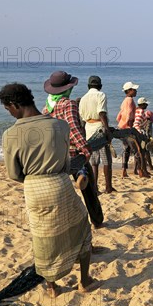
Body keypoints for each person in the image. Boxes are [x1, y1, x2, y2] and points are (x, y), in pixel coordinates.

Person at [0, 83, 99, 298]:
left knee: (43, 238)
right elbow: (65, 161)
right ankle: (84, 281)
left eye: (8, 109)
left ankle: (52, 288)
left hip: (34, 188)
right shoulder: (60, 126)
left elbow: (14, 173)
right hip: (60, 183)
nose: (10, 113)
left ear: (14, 105)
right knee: (81, 227)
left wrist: (32, 178)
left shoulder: (10, 134)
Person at [43, 71, 104, 227]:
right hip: (73, 152)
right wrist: (85, 148)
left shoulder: (46, 108)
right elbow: (73, 128)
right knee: (89, 190)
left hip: (55, 155)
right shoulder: (68, 104)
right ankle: (97, 221)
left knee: (63, 191)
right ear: (67, 88)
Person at [79, 75, 116, 193]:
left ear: (88, 86)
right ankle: (108, 187)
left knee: (94, 162)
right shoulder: (101, 95)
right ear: (100, 86)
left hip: (88, 129)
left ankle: (95, 187)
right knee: (106, 160)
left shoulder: (83, 98)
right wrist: (108, 131)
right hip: (99, 128)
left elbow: (81, 120)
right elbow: (101, 114)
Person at [116, 81, 148, 178]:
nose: (136, 91)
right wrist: (129, 125)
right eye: (134, 90)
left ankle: (124, 171)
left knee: (126, 150)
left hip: (121, 128)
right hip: (127, 129)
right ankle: (140, 171)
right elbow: (128, 113)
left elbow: (119, 116)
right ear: (129, 91)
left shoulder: (124, 100)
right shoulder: (130, 100)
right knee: (137, 150)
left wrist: (122, 124)